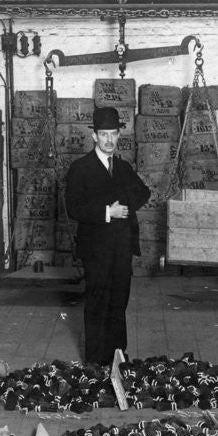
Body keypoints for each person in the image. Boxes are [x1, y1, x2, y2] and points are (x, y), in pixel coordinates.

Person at [64, 106, 151, 366]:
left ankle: (117, 357)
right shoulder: (80, 168)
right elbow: (73, 208)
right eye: (104, 134)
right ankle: (94, 361)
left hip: (122, 248)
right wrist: (107, 212)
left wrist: (125, 204)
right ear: (94, 137)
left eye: (114, 134)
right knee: (97, 303)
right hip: (96, 249)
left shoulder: (123, 167)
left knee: (119, 303)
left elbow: (143, 193)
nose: (109, 140)